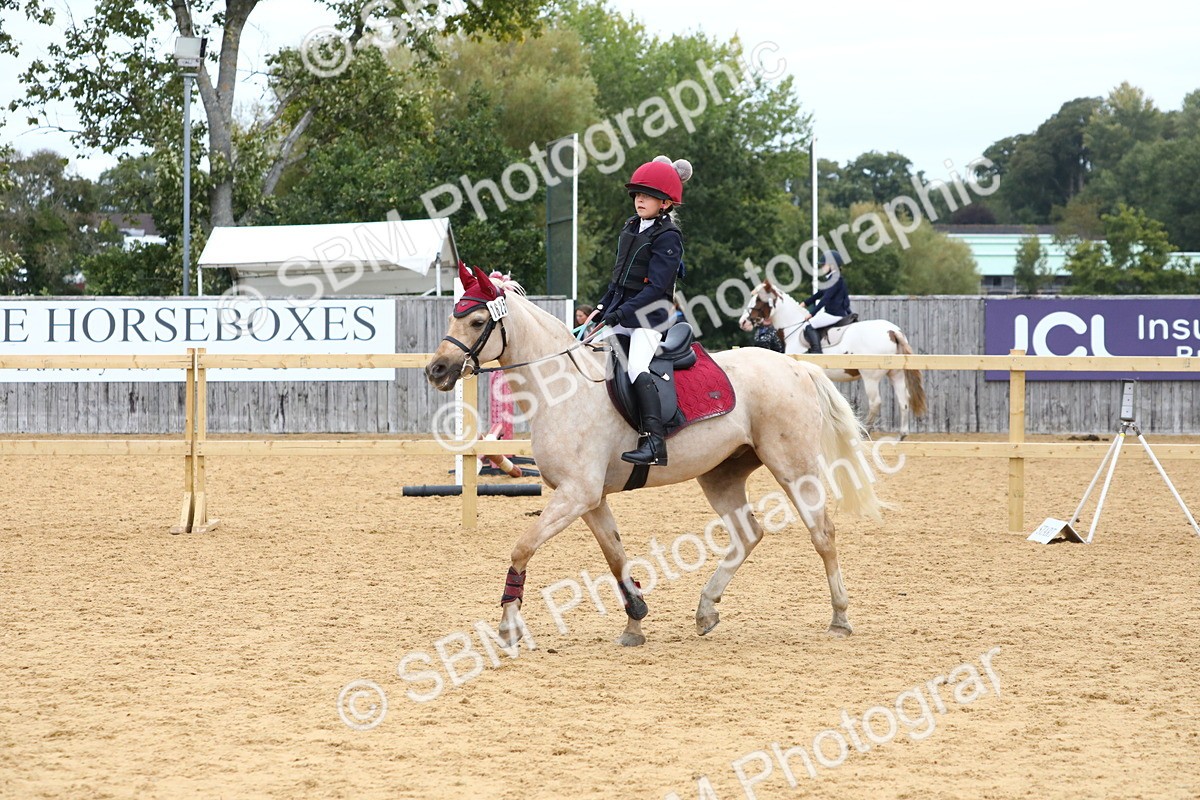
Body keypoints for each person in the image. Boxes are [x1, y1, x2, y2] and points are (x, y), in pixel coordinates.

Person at [593, 154, 692, 467]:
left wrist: (620, 313)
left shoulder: (668, 236)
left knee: (636, 367)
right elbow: (618, 280)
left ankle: (654, 441)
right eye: (637, 194)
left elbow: (656, 289)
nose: (639, 199)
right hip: (623, 311)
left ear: (665, 203)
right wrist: (602, 307)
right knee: (593, 361)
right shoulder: (631, 227)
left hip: (650, 317)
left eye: (647, 196)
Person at [799, 251, 852, 354]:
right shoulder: (834, 278)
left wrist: (811, 314)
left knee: (808, 326)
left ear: (832, 265)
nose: (822, 267)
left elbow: (825, 299)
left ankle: (816, 351)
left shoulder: (835, 279)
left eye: (824, 265)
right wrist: (805, 303)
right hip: (834, 313)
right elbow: (820, 293)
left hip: (834, 314)